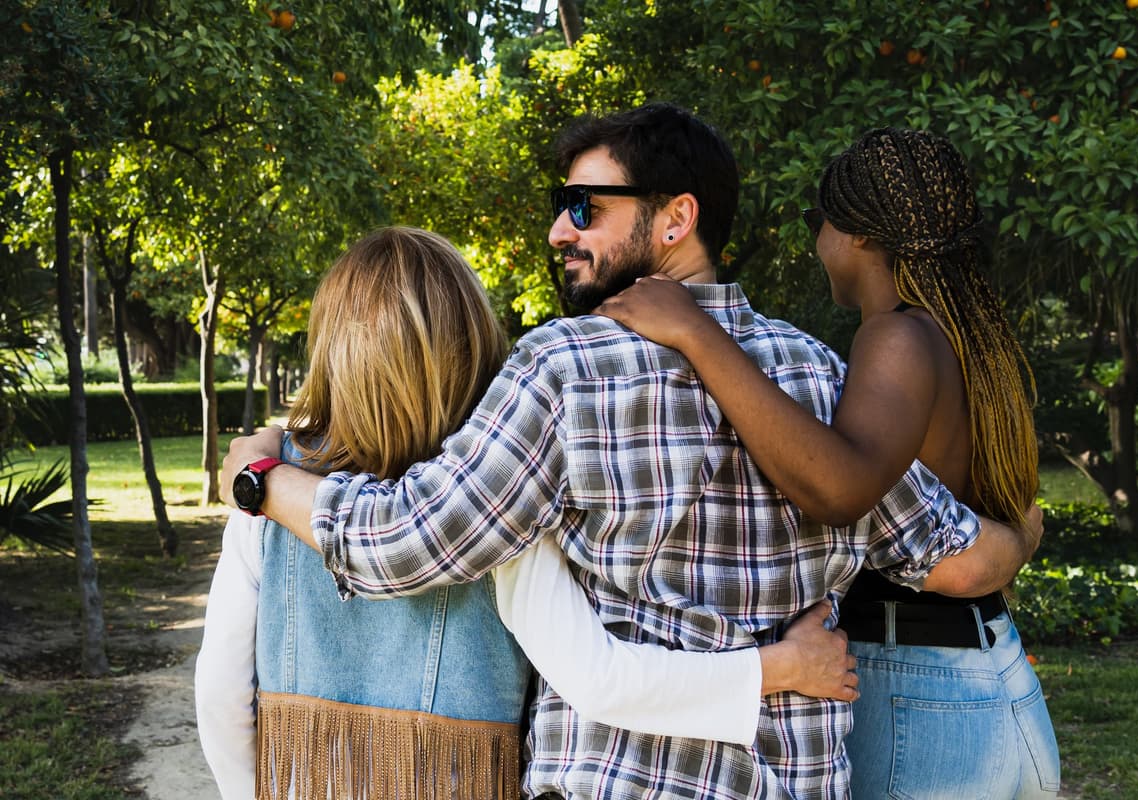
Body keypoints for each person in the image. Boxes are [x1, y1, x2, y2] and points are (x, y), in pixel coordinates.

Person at [219, 104, 1041, 799]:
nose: (557, 230)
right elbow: (955, 559)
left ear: (676, 218)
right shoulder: (820, 376)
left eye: (584, 207)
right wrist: (1026, 533)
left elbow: (403, 540)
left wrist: (260, 478)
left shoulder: (561, 370)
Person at [195, 225, 857, 800]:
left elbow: (221, 696)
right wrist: (782, 667)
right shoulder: (503, 499)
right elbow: (599, 675)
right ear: (470, 345)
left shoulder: (274, 492)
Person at [595, 127, 1059, 798]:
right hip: (994, 681)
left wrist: (696, 331)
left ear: (859, 235)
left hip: (915, 692)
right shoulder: (966, 336)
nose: (817, 244)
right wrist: (1015, 542)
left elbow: (840, 487)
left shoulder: (898, 333)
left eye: (819, 222)